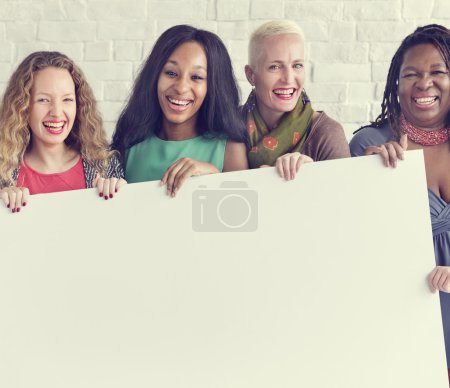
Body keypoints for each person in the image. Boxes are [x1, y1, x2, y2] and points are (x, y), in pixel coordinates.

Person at [349, 24, 450, 380]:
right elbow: (356, 249)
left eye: (438, 72)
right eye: (411, 74)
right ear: (396, 83)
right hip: (408, 319)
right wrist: (376, 182)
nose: (424, 83)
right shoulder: (368, 146)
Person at [111, 25, 248, 197]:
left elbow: (242, 217)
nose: (181, 88)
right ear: (155, 76)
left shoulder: (230, 148)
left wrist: (214, 177)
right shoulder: (130, 143)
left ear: (213, 86)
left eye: (196, 77)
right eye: (171, 73)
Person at [0, 51, 126, 213]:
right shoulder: (3, 173)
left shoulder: (105, 165)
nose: (57, 112)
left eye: (67, 99)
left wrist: (122, 198)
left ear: (78, 105)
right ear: (23, 106)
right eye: (43, 100)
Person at [242, 20, 350, 180]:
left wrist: (310, 179)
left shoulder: (327, 133)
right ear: (251, 75)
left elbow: (345, 200)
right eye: (275, 67)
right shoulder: (229, 126)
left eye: (297, 65)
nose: (288, 78)